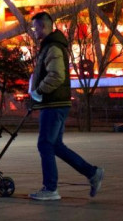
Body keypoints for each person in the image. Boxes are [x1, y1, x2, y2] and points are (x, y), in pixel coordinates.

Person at [28, 11, 104, 200]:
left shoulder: (52, 47)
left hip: (54, 103)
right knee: (56, 146)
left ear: (44, 26)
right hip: (56, 103)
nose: (33, 31)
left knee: (45, 144)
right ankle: (92, 173)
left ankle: (50, 188)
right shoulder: (50, 46)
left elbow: (56, 75)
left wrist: (39, 91)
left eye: (35, 27)